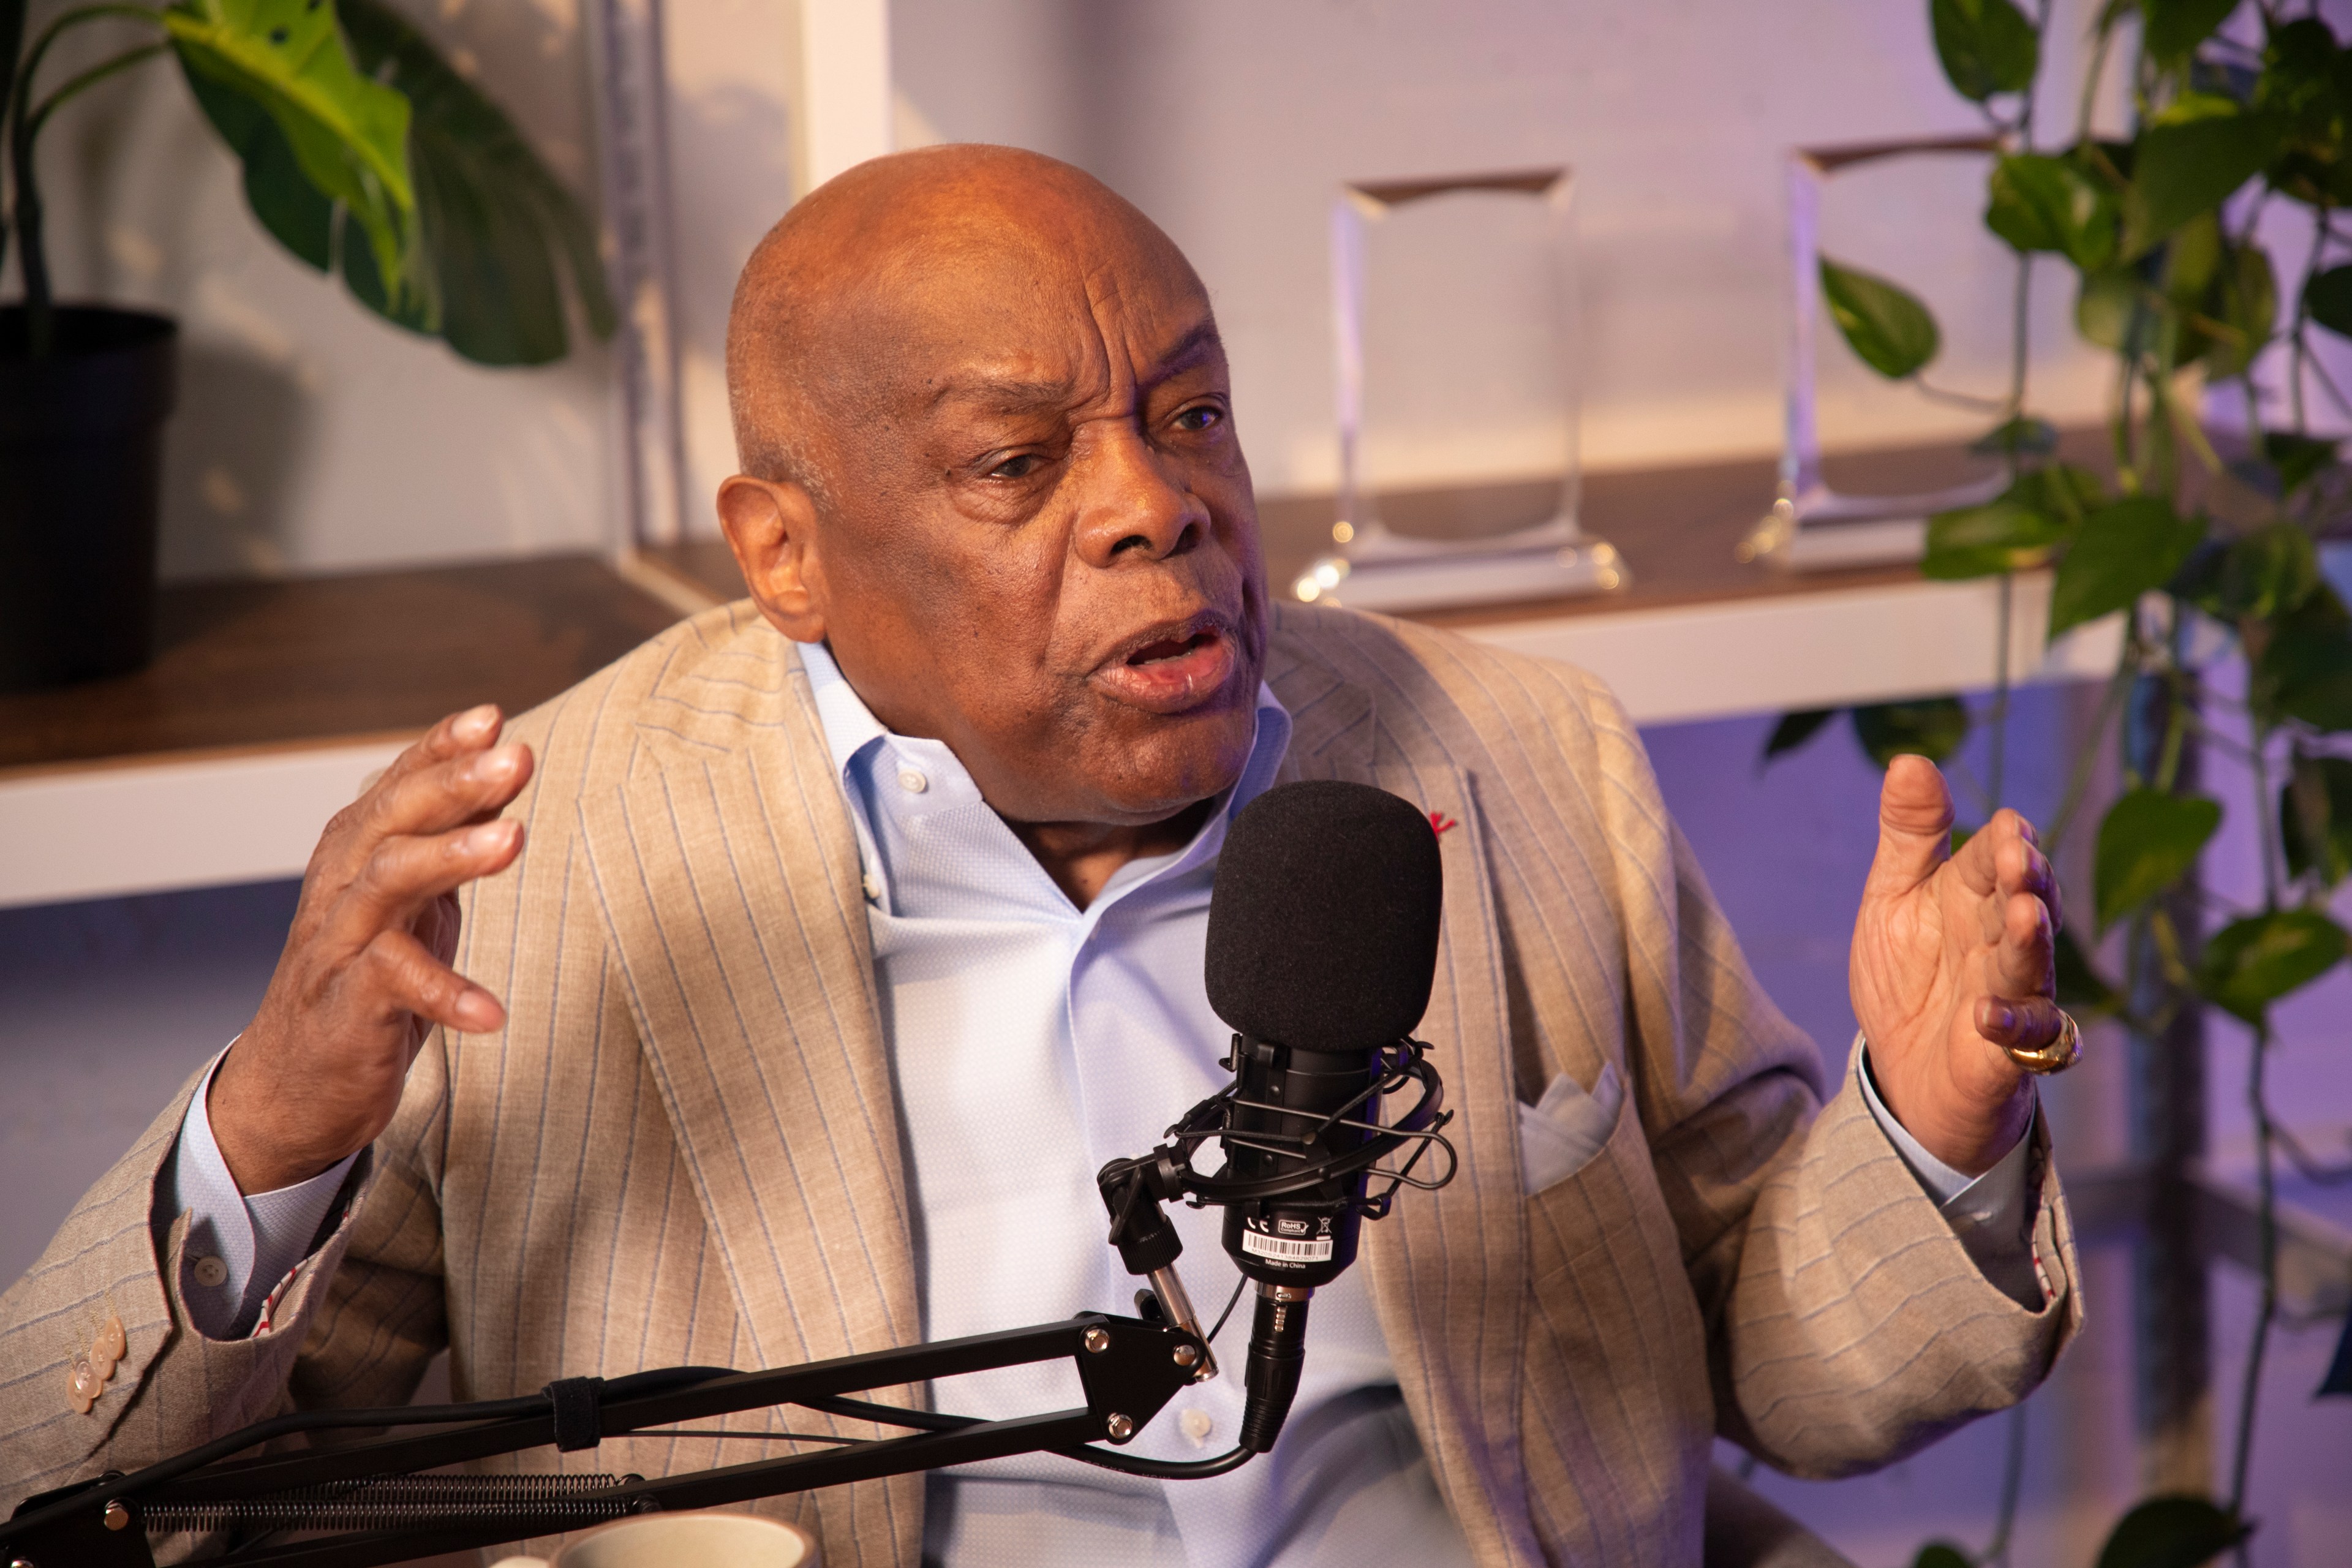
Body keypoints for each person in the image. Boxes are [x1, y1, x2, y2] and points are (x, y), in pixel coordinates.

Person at [1, 146, 2080, 1568]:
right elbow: (125, 1513)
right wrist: (273, 1127)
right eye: (1021, 460)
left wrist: (1925, 1128)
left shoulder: (1519, 757)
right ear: (787, 552)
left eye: (1192, 416)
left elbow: (1795, 1377)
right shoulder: (540, 853)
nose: (1155, 508)